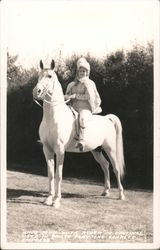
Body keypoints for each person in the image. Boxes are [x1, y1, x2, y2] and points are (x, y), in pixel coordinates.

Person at [64, 57, 102, 151]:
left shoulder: (89, 83)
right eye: (80, 71)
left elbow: (88, 97)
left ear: (87, 73)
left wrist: (75, 96)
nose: (82, 73)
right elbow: (67, 95)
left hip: (85, 108)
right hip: (72, 107)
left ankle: (81, 140)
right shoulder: (72, 84)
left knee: (82, 118)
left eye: (84, 71)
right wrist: (66, 97)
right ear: (78, 72)